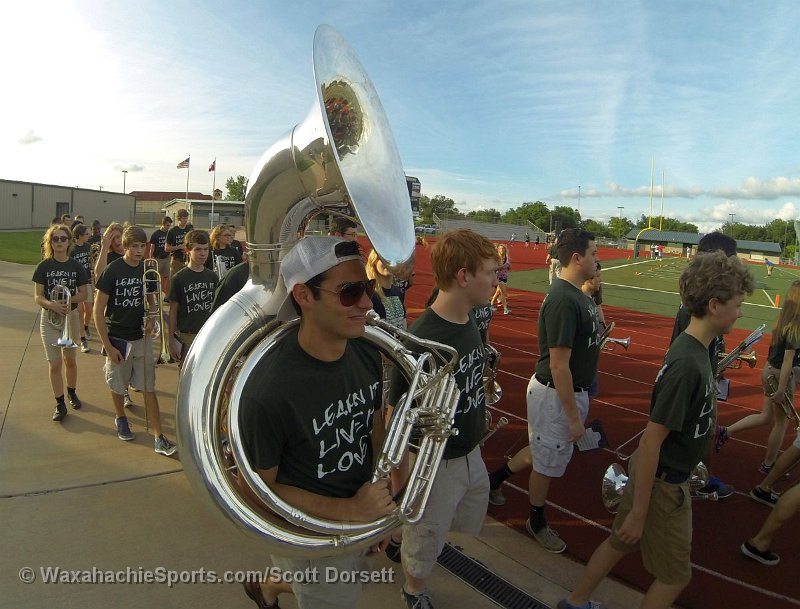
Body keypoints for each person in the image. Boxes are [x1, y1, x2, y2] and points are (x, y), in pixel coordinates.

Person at [559, 250, 753, 609]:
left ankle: (576, 601)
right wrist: (639, 511)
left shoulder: (697, 351)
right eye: (738, 305)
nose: (741, 313)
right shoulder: (688, 364)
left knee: (619, 543)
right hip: (664, 484)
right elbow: (651, 442)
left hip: (662, 478)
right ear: (714, 305)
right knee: (675, 577)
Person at [238, 236, 392, 609]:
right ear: (304, 295)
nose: (367, 303)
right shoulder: (267, 391)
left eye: (367, 288)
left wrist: (375, 513)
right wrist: (350, 512)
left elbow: (372, 428)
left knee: (345, 585)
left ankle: (268, 586)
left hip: (358, 513)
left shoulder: (366, 349)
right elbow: (253, 490)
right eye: (349, 292)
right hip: (310, 533)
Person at [391, 229, 498, 609]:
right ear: (463, 276)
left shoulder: (468, 319)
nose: (496, 280)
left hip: (468, 453)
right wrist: (402, 488)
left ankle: (401, 537)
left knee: (462, 514)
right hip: (435, 464)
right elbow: (396, 415)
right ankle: (414, 588)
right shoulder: (423, 340)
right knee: (425, 536)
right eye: (490, 272)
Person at [525, 228, 599, 553]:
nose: (597, 260)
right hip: (555, 395)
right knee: (545, 462)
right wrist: (573, 418)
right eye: (594, 254)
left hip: (566, 393)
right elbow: (558, 365)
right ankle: (536, 520)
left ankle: (499, 478)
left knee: (549, 456)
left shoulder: (576, 294)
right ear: (577, 258)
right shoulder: (564, 299)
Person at [93, 225, 177, 456]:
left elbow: (152, 301)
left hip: (141, 338)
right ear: (126, 246)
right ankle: (121, 417)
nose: (140, 250)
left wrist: (152, 318)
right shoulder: (113, 270)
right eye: (135, 246)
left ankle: (159, 436)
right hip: (118, 338)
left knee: (149, 387)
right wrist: (108, 346)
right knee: (118, 385)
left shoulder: (147, 270)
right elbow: (98, 310)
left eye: (142, 246)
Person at [669, 231, 736, 499]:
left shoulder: (705, 297)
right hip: (695, 383)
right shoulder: (696, 306)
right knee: (696, 434)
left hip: (704, 376)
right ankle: (697, 480)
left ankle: (699, 477)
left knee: (703, 432)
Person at [717, 280, 800, 473]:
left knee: (766, 416)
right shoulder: (795, 326)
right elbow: (788, 361)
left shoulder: (782, 319)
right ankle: (768, 464)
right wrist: (781, 390)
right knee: (782, 422)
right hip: (779, 375)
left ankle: (726, 431)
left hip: (769, 370)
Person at [33, 224, 89, 421]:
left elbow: (84, 294)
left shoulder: (76, 266)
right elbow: (38, 296)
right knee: (55, 364)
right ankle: (60, 403)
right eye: (55, 239)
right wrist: (52, 304)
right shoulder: (43, 266)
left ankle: (71, 391)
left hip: (70, 317)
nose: (59, 242)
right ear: (50, 242)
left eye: (63, 239)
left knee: (70, 361)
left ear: (69, 242)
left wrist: (66, 299)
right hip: (49, 319)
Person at [168, 230, 218, 362]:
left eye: (206, 249)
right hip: (187, 335)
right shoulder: (179, 278)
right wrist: (171, 340)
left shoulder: (213, 277)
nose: (203, 253)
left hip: (209, 333)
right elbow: (173, 311)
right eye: (198, 249)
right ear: (187, 251)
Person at [365, 248, 407, 329]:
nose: (390, 262)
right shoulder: (368, 293)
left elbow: (403, 322)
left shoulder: (398, 291)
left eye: (394, 258)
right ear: (374, 262)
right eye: (384, 258)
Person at [70, 223, 93, 352]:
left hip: (87, 281)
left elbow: (91, 262)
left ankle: (85, 326)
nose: (89, 236)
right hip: (76, 284)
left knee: (89, 310)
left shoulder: (88, 246)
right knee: (80, 311)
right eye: (86, 234)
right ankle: (83, 339)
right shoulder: (72, 249)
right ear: (79, 236)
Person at [147, 216, 172, 295]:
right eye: (167, 225)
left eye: (169, 225)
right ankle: (156, 294)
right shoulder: (156, 234)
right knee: (155, 278)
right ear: (163, 224)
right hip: (157, 259)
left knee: (168, 277)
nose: (168, 227)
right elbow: (152, 247)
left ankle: (166, 294)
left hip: (167, 258)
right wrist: (150, 259)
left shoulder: (169, 234)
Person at [165, 208, 192, 279]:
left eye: (186, 218)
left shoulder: (189, 229)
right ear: (179, 219)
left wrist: (188, 250)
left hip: (188, 259)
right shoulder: (172, 231)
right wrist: (179, 247)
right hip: (176, 260)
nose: (185, 220)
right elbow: (166, 248)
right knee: (174, 279)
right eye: (184, 218)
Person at [490, 243, 512, 315]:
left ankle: (491, 304)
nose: (502, 250)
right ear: (498, 250)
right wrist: (503, 266)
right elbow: (494, 268)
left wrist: (508, 266)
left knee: (498, 292)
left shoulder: (506, 258)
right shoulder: (496, 259)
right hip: (498, 277)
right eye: (500, 249)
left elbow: (509, 267)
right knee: (503, 292)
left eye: (503, 249)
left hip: (504, 276)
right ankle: (505, 309)